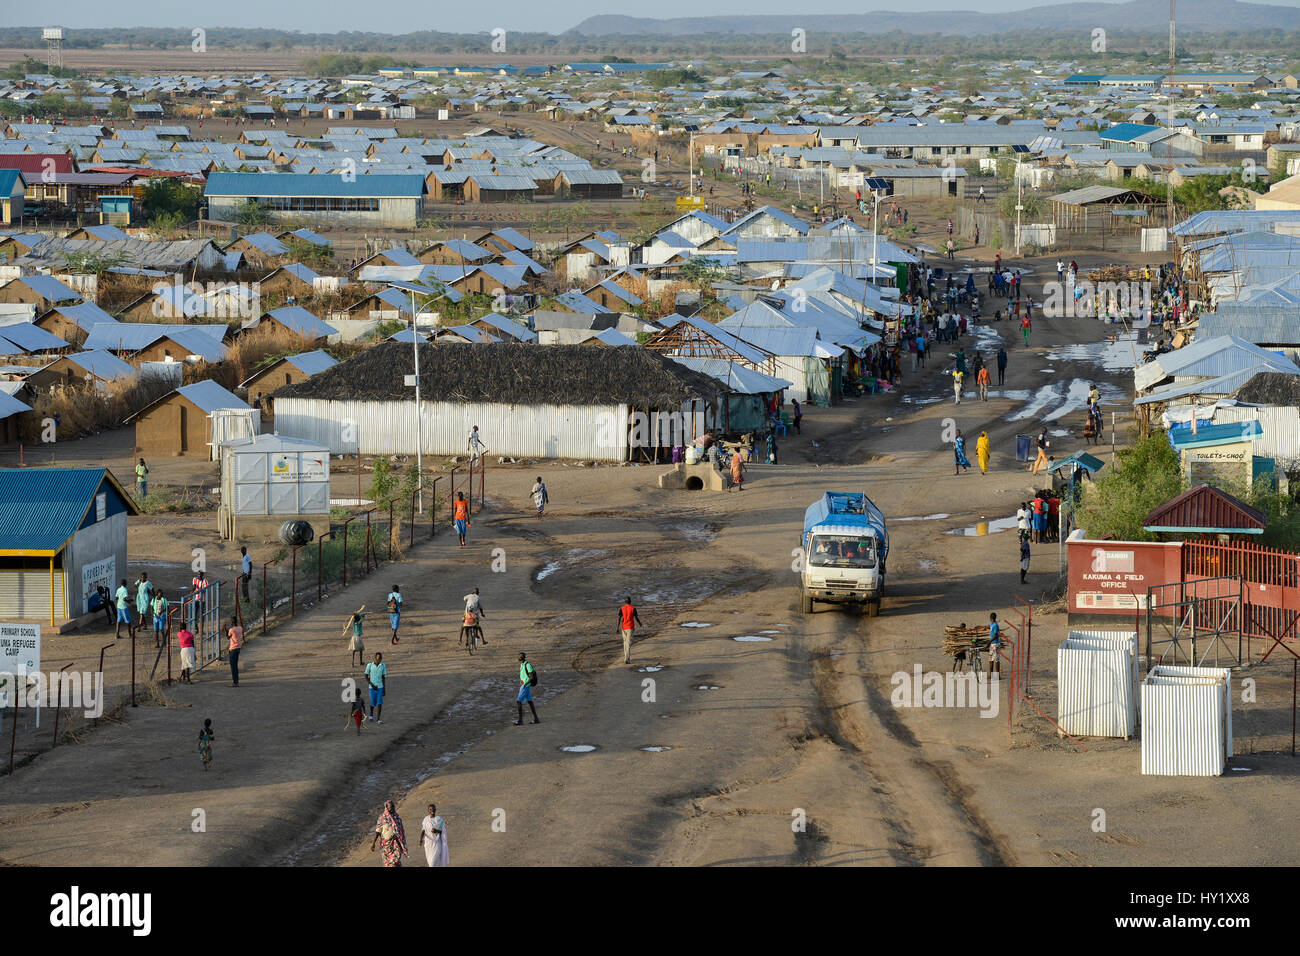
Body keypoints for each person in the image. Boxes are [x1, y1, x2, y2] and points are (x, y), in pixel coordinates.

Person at [371, 800, 408, 867]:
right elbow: (378, 831)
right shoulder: (382, 818)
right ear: (387, 808)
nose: (393, 808)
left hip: (396, 843)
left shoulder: (397, 817)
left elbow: (401, 830)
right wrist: (373, 843)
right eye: (391, 807)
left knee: (394, 861)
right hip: (386, 845)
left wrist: (402, 842)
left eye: (393, 806)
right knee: (389, 863)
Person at [515, 652, 540, 725]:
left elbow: (531, 676)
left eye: (519, 656)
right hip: (524, 685)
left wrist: (525, 684)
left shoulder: (527, 665)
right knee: (530, 701)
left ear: (523, 657)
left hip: (525, 686)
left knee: (518, 701)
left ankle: (520, 720)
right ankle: (536, 719)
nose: (518, 657)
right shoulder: (522, 665)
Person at [618, 596, 642, 665]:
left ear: (625, 602)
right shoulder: (633, 608)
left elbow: (619, 618)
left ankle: (626, 657)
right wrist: (640, 623)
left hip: (623, 627)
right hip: (630, 627)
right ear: (630, 601)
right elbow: (636, 618)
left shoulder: (621, 608)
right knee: (628, 643)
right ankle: (627, 659)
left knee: (625, 642)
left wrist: (617, 627)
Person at [366, 652, 387, 724]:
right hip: (371, 688)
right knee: (372, 702)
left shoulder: (383, 665)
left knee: (379, 703)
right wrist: (371, 684)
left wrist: (384, 689)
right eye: (377, 658)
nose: (378, 660)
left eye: (380, 658)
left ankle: (378, 719)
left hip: (380, 687)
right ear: (374, 658)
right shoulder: (370, 665)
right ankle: (371, 715)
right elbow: (366, 676)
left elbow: (383, 677)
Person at [226, 615, 243, 687]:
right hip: (238, 648)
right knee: (235, 665)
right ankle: (236, 681)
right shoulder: (240, 628)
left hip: (233, 649)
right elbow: (232, 635)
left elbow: (228, 637)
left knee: (233, 666)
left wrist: (225, 629)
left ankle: (235, 682)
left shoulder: (231, 630)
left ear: (231, 622)